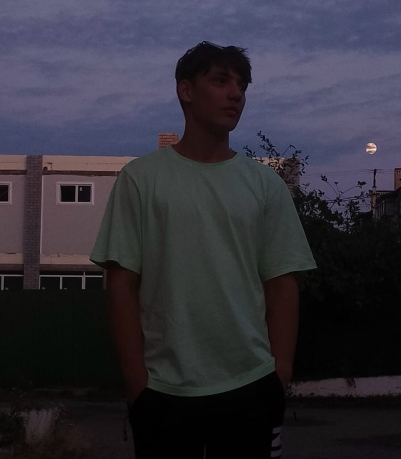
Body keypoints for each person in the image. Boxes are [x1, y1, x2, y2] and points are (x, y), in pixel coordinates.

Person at [90, 41, 316, 459]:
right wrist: (137, 382)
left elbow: (283, 282)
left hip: (251, 385)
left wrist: (279, 374)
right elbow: (121, 284)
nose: (236, 94)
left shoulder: (265, 185)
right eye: (221, 81)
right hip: (163, 392)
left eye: (242, 85)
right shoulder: (140, 179)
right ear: (186, 90)